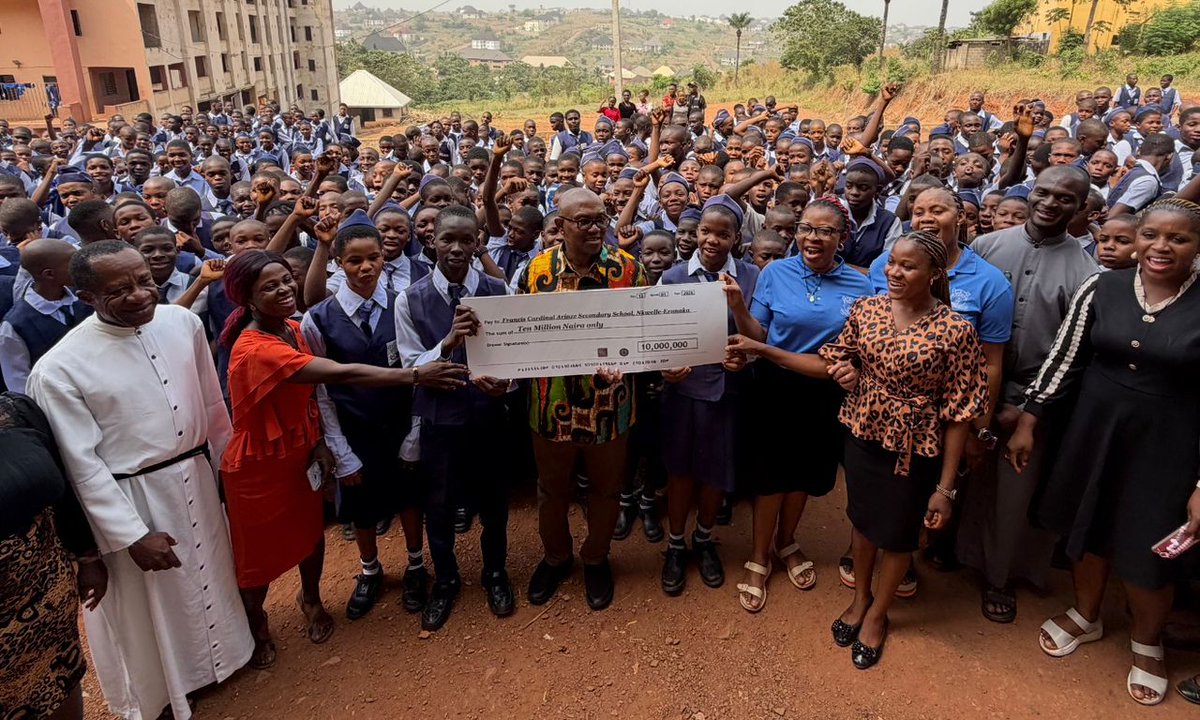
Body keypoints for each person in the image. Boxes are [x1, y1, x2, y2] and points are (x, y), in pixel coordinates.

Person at [27, 241, 254, 720]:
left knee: (207, 570)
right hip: (132, 497)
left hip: (194, 476)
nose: (139, 295)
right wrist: (131, 535)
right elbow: (80, 464)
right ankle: (162, 693)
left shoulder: (183, 322)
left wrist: (227, 472)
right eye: (119, 290)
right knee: (148, 605)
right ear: (85, 296)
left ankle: (220, 660)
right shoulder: (59, 368)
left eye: (145, 281)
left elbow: (213, 407)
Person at [218, 249, 466, 667]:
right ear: (247, 299)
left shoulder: (292, 328)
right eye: (268, 288)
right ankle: (257, 625)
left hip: (300, 449)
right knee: (256, 554)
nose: (283, 290)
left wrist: (318, 442)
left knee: (310, 535)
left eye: (284, 281)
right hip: (260, 462)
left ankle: (310, 599)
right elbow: (340, 374)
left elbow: (309, 398)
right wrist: (416, 375)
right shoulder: (259, 348)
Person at [1007, 198, 1200, 706]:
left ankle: (1147, 641)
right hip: (1095, 430)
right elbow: (1064, 359)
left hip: (1171, 446)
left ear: (1197, 247)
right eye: (1152, 235)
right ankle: (1086, 614)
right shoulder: (1103, 286)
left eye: (1178, 239)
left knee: (1150, 545)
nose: (1161, 247)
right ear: (1137, 239)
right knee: (1086, 528)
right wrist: (1030, 419)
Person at [812, 230, 986, 669]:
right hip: (863, 432)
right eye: (892, 262)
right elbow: (840, 354)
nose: (893, 271)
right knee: (863, 521)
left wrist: (945, 489)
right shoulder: (866, 309)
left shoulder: (956, 329)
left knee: (899, 533)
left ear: (933, 274)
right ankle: (860, 597)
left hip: (916, 444)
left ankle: (877, 614)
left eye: (907, 266)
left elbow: (960, 413)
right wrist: (845, 370)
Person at [956, 166, 1098, 624]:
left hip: (1034, 399)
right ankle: (954, 552)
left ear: (1081, 208)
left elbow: (1072, 352)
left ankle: (1001, 577)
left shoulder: (1086, 271)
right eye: (1045, 192)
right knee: (961, 472)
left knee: (1016, 491)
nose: (1051, 203)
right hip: (971, 383)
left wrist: (1026, 406)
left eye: (1065, 198)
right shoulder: (986, 247)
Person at [730, 197, 874, 612]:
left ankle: (787, 540)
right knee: (771, 476)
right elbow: (759, 333)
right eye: (806, 228)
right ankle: (759, 555)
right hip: (774, 388)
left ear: (842, 238)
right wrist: (739, 305)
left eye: (826, 231)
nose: (813, 238)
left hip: (825, 392)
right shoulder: (775, 272)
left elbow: (855, 350)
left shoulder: (861, 286)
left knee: (805, 476)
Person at [517, 187, 648, 611]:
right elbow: (519, 335)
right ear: (561, 226)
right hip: (550, 404)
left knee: (607, 491)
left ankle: (595, 558)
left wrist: (626, 362)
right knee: (552, 490)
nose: (595, 228)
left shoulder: (628, 269)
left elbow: (645, 333)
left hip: (611, 404)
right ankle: (556, 557)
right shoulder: (535, 272)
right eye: (584, 221)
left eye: (600, 219)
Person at [300, 212, 431, 621]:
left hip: (399, 423)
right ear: (339, 263)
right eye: (354, 260)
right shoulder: (318, 317)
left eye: (372, 258)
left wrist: (414, 433)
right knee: (360, 505)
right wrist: (340, 450)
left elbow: (419, 373)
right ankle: (370, 569)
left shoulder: (403, 304)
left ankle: (415, 565)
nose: (365, 267)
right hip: (354, 430)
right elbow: (321, 389)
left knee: (409, 498)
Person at [394, 204, 514, 630]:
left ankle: (495, 572)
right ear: (431, 241)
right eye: (448, 239)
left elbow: (512, 360)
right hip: (439, 420)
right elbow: (410, 363)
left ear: (479, 241)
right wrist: (447, 342)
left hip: (487, 416)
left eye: (467, 239)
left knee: (494, 504)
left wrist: (505, 383)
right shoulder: (410, 297)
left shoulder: (499, 292)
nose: (457, 248)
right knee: (439, 505)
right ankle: (445, 580)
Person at [657, 196, 760, 596]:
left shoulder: (751, 277)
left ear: (737, 238)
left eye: (723, 233)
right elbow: (658, 337)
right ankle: (676, 544)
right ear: (695, 234)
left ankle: (704, 538)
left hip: (728, 391)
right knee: (681, 471)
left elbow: (758, 336)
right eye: (705, 231)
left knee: (716, 471)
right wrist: (664, 367)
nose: (712, 240)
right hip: (682, 391)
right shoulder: (673, 277)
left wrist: (746, 360)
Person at [0, 391, 107, 720]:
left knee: (61, 688)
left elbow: (64, 495)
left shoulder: (15, 411)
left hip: (50, 609)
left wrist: (88, 558)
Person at [0, 239, 90, 393]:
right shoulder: (15, 325)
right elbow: (18, 380)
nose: (81, 269)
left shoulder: (84, 299)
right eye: (73, 264)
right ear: (49, 274)